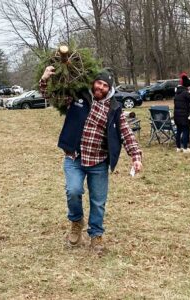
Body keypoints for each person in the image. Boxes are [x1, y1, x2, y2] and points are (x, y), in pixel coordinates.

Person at [39, 66, 143, 254]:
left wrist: (136, 157)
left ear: (109, 88)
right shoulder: (79, 97)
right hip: (74, 158)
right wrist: (45, 78)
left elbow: (126, 134)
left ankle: (96, 234)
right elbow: (51, 97)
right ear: (93, 82)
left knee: (98, 201)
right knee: (73, 190)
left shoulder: (114, 108)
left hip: (98, 162)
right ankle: (76, 221)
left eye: (105, 85)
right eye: (99, 83)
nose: (101, 87)